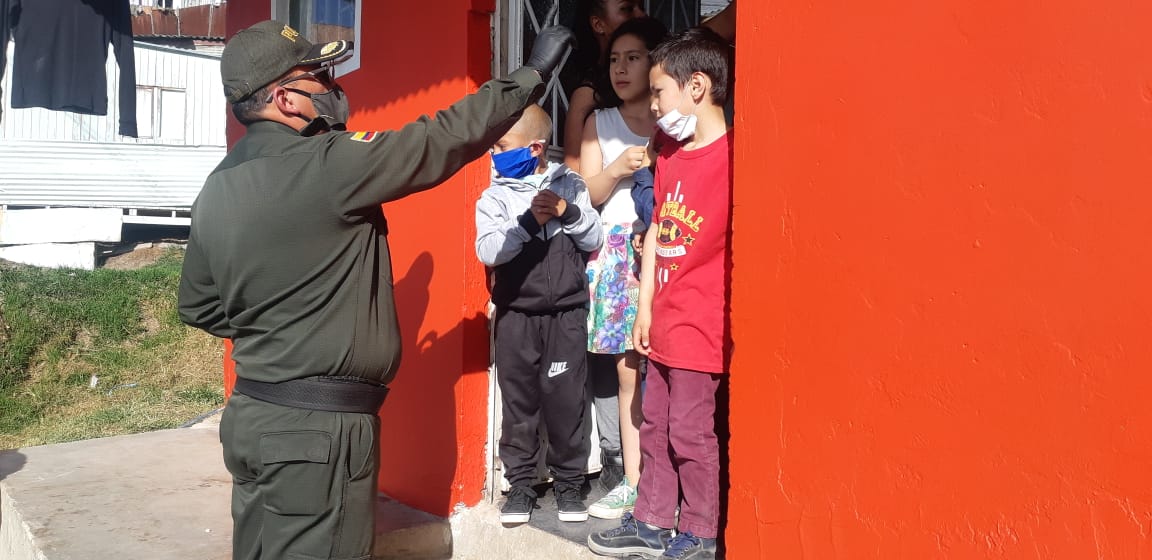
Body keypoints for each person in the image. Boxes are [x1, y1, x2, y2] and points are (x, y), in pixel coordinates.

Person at [178, 19, 573, 560]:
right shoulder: (324, 162)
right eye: (315, 75)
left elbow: (197, 304)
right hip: (316, 433)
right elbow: (438, 138)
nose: (331, 85)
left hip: (253, 418)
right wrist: (529, 76)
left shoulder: (216, 187)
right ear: (282, 99)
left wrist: (283, 324)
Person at [587, 26, 733, 560]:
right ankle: (650, 521)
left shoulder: (734, 158)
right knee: (654, 426)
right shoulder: (667, 155)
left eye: (658, 90)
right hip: (661, 317)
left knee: (691, 433)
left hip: (702, 323)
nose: (652, 103)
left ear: (697, 86)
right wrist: (643, 310)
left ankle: (698, 532)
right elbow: (653, 243)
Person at [475, 104, 603, 525]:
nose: (495, 153)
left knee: (566, 400)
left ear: (534, 148)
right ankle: (522, 486)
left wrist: (568, 212)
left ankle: (569, 485)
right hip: (516, 316)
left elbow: (594, 236)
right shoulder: (493, 197)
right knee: (520, 404)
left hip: (566, 313)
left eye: (502, 146)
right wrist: (529, 221)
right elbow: (488, 250)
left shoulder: (572, 184)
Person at [579, 16, 667, 521]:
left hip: (664, 252)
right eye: (614, 59)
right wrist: (616, 169)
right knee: (627, 370)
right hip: (616, 256)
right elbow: (587, 195)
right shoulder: (599, 121)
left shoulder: (671, 124)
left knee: (667, 370)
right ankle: (634, 481)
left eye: (633, 57)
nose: (621, 68)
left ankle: (666, 476)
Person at [562, 0, 646, 170]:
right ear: (598, 24)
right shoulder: (588, 94)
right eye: (627, 9)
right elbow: (574, 170)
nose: (640, 15)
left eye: (641, 7)